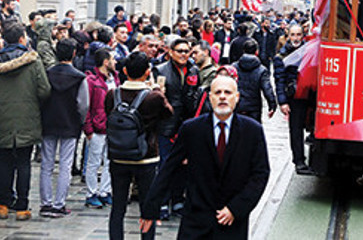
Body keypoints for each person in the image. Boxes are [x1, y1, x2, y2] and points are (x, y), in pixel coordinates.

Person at [139, 75, 270, 239]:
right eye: (218, 92)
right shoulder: (192, 129)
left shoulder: (252, 131)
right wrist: (151, 207)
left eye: (228, 92)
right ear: (210, 97)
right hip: (196, 220)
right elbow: (169, 168)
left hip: (231, 222)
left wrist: (236, 208)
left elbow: (260, 174)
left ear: (237, 97)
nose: (222, 96)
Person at [103, 52, 173, 240]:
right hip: (146, 157)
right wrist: (158, 89)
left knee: (118, 207)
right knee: (146, 206)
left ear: (124, 71)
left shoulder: (112, 94)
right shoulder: (153, 97)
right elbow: (168, 114)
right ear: (147, 71)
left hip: (118, 155)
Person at [0, 22, 50, 221]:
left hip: (2, 118)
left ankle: (3, 204)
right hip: (27, 119)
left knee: (3, 162)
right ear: (22, 39)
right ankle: (22, 206)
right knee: (23, 164)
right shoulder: (33, 61)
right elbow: (44, 90)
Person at [39, 38, 89, 218]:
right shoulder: (79, 77)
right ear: (74, 53)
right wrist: (80, 121)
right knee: (66, 165)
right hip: (70, 123)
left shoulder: (47, 73)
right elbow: (83, 105)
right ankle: (59, 204)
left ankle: (45, 203)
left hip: (48, 121)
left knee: (47, 164)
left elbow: (41, 95)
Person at [154, 37, 200, 219]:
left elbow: (194, 96)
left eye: (186, 51)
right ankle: (163, 202)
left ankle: (178, 200)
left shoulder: (193, 70)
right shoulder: (161, 70)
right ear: (171, 52)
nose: (183, 54)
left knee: (184, 165)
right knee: (165, 164)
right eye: (179, 51)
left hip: (187, 124)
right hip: (166, 124)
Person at [84, 48, 120, 208]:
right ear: (105, 62)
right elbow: (86, 106)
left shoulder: (115, 78)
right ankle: (91, 193)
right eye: (112, 59)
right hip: (98, 127)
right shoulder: (92, 81)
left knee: (110, 160)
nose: (115, 62)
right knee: (93, 162)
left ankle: (105, 191)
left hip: (112, 125)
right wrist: (88, 129)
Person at [274, 24, 309, 173]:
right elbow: (279, 80)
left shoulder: (308, 51)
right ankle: (299, 161)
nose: (296, 38)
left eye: (298, 35)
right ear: (288, 36)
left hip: (309, 94)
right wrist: (282, 102)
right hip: (293, 97)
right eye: (293, 35)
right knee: (296, 130)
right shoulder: (281, 56)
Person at [232, 39, 277, 123]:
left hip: (237, 105)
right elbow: (267, 89)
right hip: (254, 107)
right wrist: (272, 105)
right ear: (257, 52)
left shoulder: (234, 67)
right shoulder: (261, 70)